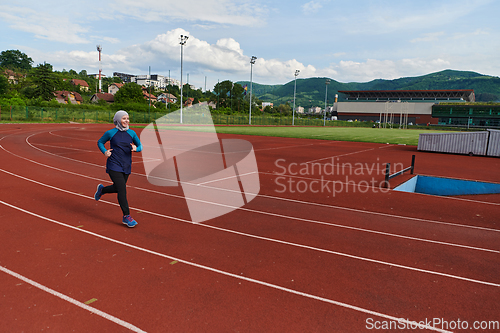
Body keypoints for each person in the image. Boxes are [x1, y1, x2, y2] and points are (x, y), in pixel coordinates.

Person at [94, 110, 143, 227]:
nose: (126, 121)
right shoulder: (111, 133)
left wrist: (136, 149)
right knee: (122, 190)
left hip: (126, 165)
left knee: (118, 188)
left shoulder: (132, 133)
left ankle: (102, 190)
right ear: (117, 120)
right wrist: (105, 151)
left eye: (127, 118)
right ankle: (127, 216)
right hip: (113, 165)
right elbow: (100, 142)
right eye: (124, 118)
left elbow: (140, 146)